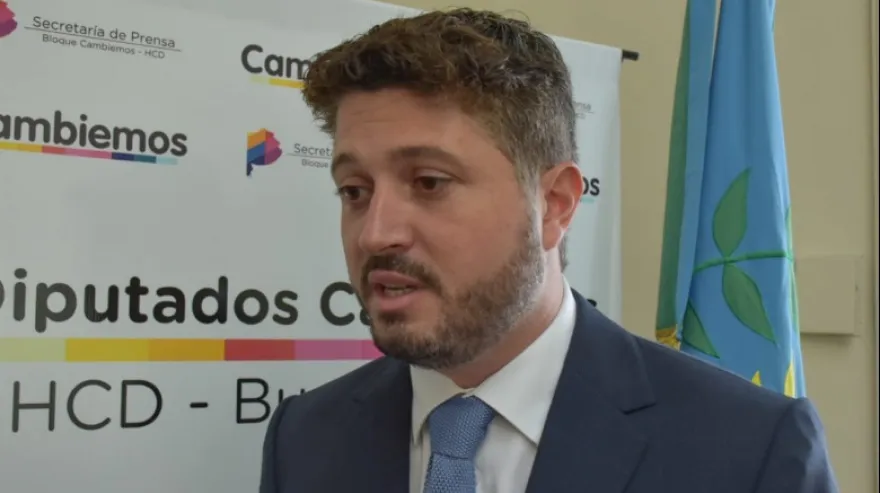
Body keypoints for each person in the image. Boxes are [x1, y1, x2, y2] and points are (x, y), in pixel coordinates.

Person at [258, 8, 838, 493]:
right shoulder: (304, 438)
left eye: (429, 183)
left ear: (555, 204)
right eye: (354, 191)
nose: (375, 233)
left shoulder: (749, 449)